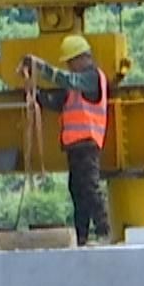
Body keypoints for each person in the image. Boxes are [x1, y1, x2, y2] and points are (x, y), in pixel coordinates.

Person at [21, 34, 111, 246]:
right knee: (77, 190)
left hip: (88, 143)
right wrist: (35, 94)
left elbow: (69, 81)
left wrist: (42, 67)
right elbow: (58, 102)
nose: (70, 66)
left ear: (83, 58)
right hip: (75, 146)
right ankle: (82, 235)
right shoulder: (76, 85)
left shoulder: (91, 78)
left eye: (71, 62)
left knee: (89, 187)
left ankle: (104, 230)